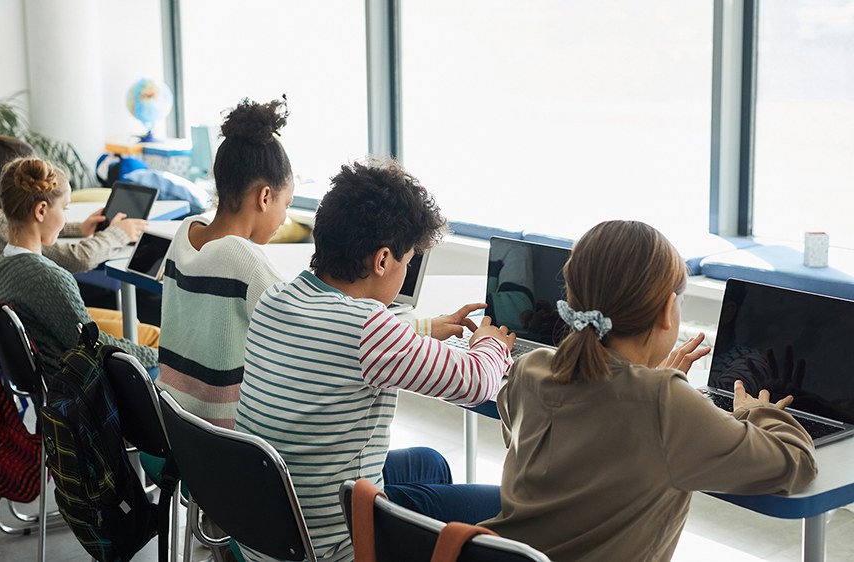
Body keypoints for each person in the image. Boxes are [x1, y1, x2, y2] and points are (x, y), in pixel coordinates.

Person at [480, 220, 818, 562]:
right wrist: (754, 409)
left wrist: (648, 382)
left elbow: (533, 436)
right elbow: (797, 464)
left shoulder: (531, 367)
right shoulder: (663, 401)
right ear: (666, 311)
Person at [234, 159, 516, 562]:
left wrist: (423, 327)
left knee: (429, 463)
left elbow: (345, 340)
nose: (405, 270)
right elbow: (477, 382)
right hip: (337, 542)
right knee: (506, 508)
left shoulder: (277, 298)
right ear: (382, 260)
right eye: (407, 260)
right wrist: (492, 342)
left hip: (272, 527)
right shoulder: (368, 328)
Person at [156, 98, 293, 428]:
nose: (285, 217)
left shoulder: (183, 233)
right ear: (264, 197)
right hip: (223, 440)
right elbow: (304, 327)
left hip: (172, 422)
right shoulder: (243, 260)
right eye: (285, 204)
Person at [0, 157, 158, 377]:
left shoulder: (3, 264)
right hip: (82, 390)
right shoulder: (50, 278)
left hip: (55, 384)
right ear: (40, 211)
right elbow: (95, 346)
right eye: (64, 208)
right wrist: (157, 357)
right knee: (159, 363)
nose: (65, 218)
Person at [0, 134, 147, 274]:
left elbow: (26, 223)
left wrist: (79, 229)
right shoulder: (3, 234)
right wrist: (118, 234)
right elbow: (79, 258)